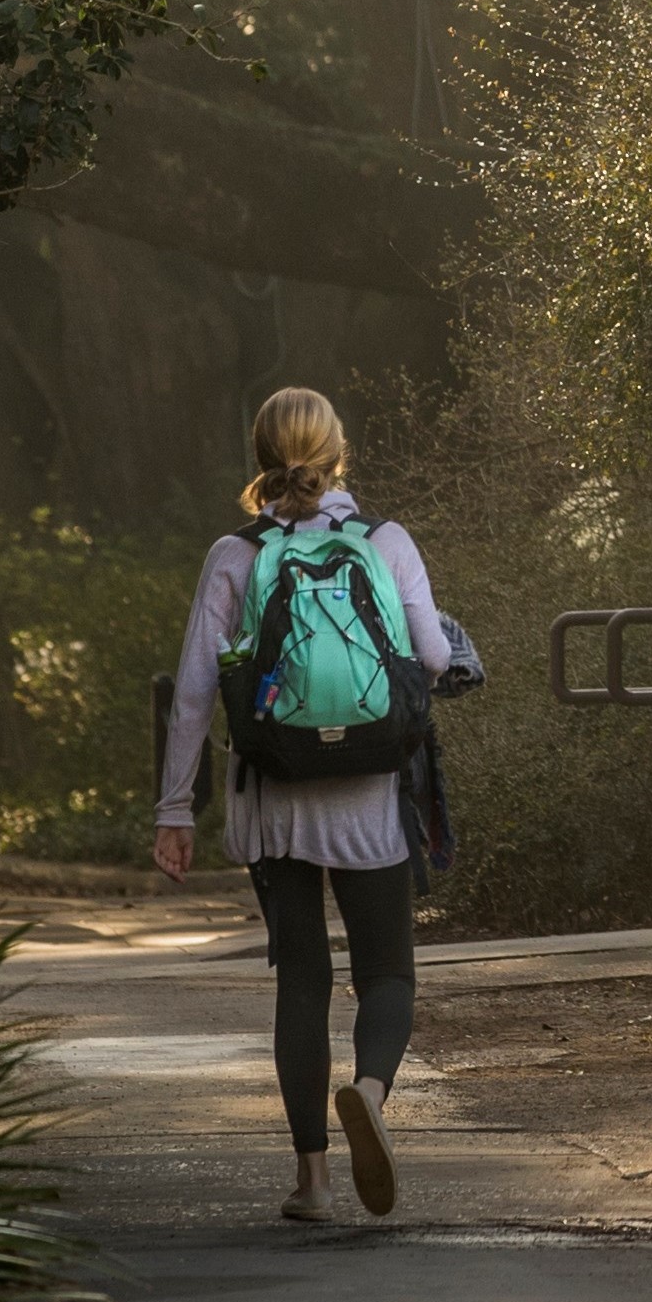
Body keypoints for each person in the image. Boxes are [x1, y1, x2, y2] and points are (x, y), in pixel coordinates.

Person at [154, 387, 473, 1222]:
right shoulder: (385, 541)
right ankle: (368, 1088)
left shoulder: (235, 553)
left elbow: (194, 691)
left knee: (302, 980)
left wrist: (174, 809)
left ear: (259, 456)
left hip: (276, 795)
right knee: (388, 972)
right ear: (339, 454)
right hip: (371, 792)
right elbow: (434, 657)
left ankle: (315, 1183)